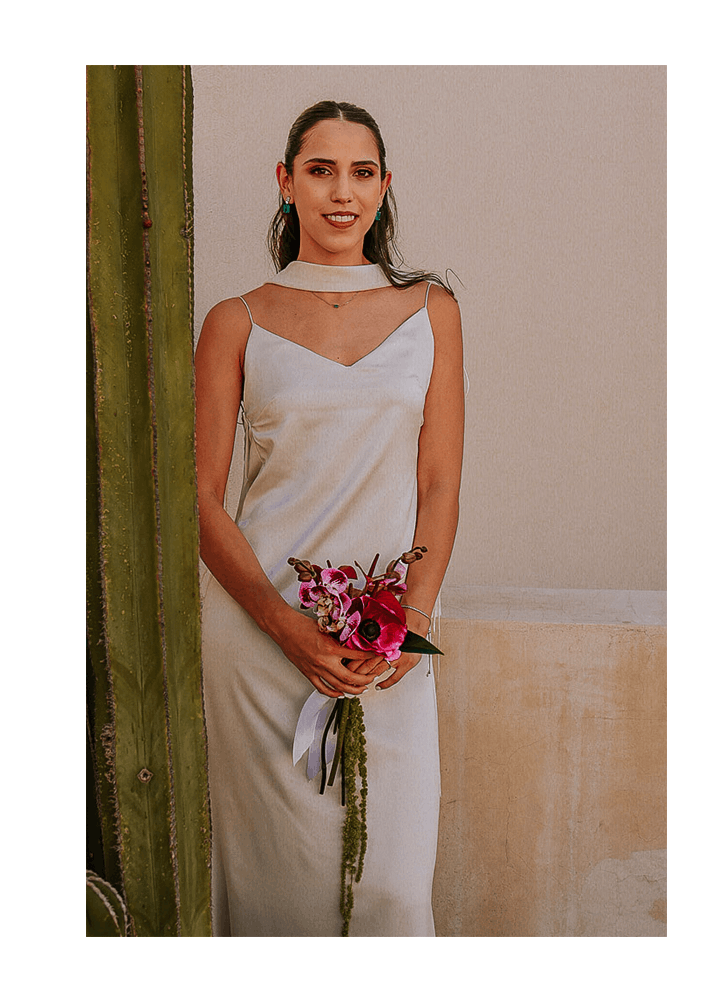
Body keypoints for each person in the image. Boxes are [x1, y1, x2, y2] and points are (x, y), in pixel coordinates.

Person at [195, 100, 464, 936]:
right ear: (285, 183)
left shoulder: (432, 312)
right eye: (320, 170)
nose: (341, 192)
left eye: (361, 172)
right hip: (262, 639)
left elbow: (440, 482)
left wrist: (408, 620)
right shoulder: (235, 320)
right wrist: (286, 628)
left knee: (393, 891)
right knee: (279, 896)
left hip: (395, 647)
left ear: (385, 189)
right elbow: (200, 499)